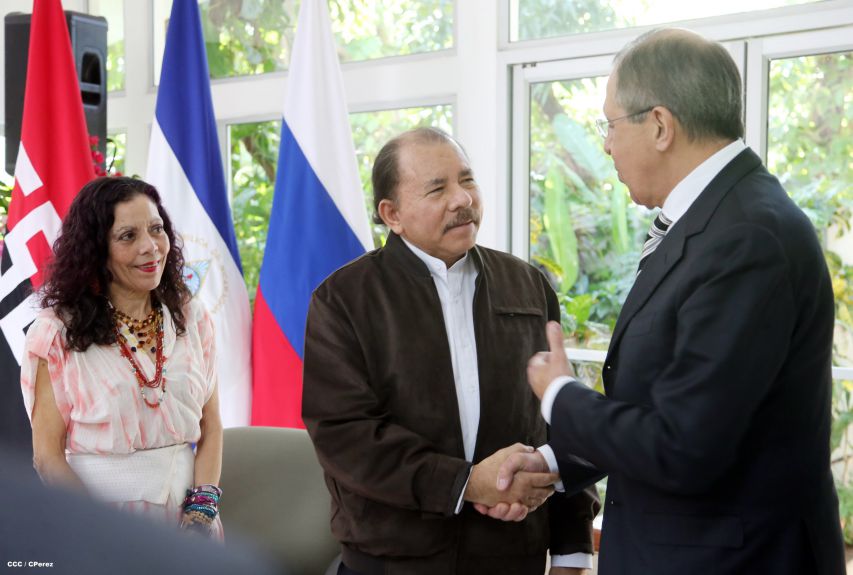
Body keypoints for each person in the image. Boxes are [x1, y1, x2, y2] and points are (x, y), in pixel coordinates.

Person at [492, 28, 846, 574]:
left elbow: (684, 448)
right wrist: (555, 462)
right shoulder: (717, 218)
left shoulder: (747, 237)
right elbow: (672, 404)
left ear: (659, 125)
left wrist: (560, 396)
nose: (605, 144)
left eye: (609, 124)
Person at [302, 127, 600, 575]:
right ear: (392, 214)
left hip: (510, 556)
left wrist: (572, 551)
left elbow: (563, 419)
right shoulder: (344, 299)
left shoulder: (528, 285)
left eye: (467, 180)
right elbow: (347, 436)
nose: (462, 199)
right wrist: (467, 484)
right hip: (393, 561)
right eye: (437, 188)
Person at [20, 176, 224, 537]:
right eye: (128, 236)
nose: (151, 247)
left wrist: (202, 509)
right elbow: (47, 458)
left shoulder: (193, 316)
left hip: (192, 527)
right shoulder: (55, 333)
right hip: (96, 529)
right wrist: (106, 534)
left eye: (157, 229)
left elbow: (212, 426)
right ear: (96, 250)